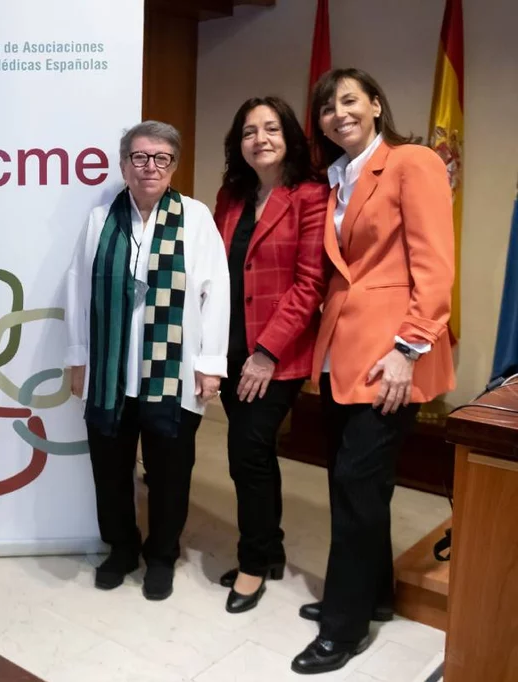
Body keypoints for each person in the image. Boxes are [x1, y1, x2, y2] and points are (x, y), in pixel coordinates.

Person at [291, 68, 455, 675]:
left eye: (350, 100)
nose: (339, 114)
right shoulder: (337, 178)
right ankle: (374, 594)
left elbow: (434, 266)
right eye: (328, 108)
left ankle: (344, 626)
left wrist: (407, 348)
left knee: (357, 490)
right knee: (355, 487)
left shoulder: (412, 162)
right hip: (343, 354)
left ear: (377, 105)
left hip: (391, 357)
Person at [65, 121, 230, 602]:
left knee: (170, 473)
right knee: (110, 471)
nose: (149, 167)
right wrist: (78, 358)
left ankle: (161, 555)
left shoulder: (195, 219)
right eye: (139, 157)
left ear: (173, 165)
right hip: (111, 373)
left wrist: (210, 364)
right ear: (123, 165)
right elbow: (77, 290)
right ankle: (120, 549)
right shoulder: (101, 221)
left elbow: (215, 293)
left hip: (173, 375)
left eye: (160, 158)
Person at [213, 97, 328, 614]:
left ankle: (254, 563)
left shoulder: (309, 196)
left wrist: (264, 355)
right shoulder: (231, 196)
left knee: (247, 452)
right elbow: (215, 272)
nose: (260, 138)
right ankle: (273, 548)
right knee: (253, 457)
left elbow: (309, 286)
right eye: (249, 131)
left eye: (271, 128)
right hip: (231, 348)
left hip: (275, 355)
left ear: (290, 137)